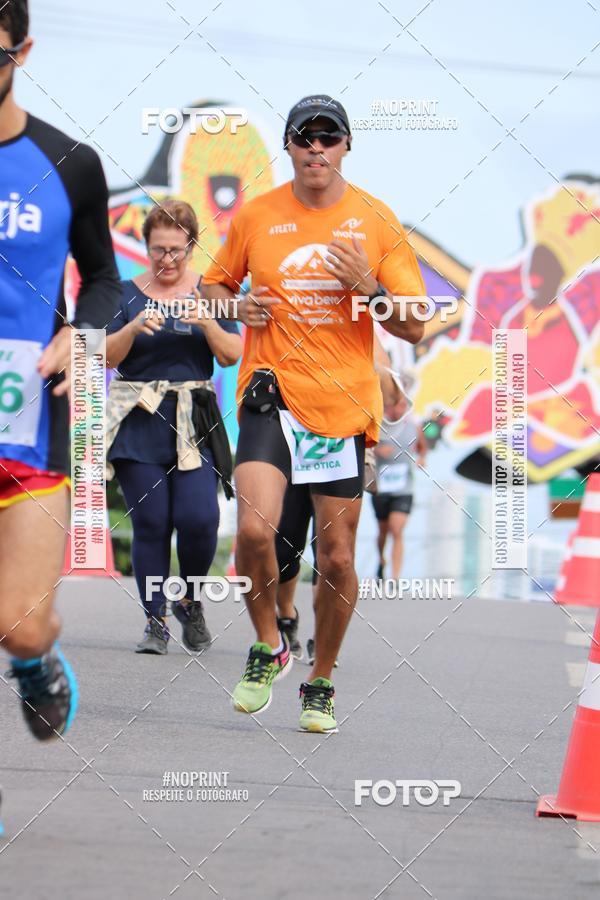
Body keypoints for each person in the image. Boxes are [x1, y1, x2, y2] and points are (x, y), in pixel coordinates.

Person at [203, 94, 425, 732]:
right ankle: (268, 644)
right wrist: (231, 307)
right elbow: (215, 283)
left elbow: (413, 328)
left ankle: (320, 678)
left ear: (346, 147)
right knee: (251, 534)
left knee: (336, 558)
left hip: (340, 407)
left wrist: (372, 291)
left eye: (329, 138)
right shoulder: (259, 214)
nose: (316, 149)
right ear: (290, 147)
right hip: (271, 393)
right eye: (305, 138)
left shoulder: (376, 221)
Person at [0, 0, 120, 744]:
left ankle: (35, 661)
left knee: (20, 623)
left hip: (29, 425)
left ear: (24, 51)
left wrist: (81, 333)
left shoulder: (69, 163)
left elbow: (104, 278)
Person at [106, 201, 242, 655]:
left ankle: (190, 600)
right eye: (158, 250)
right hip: (138, 417)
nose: (167, 260)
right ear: (145, 247)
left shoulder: (211, 292)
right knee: (151, 522)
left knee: (200, 519)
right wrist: (134, 329)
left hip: (193, 417)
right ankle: (155, 620)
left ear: (192, 247)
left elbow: (230, 353)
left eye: (176, 251)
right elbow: (102, 355)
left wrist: (206, 320)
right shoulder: (124, 293)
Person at [275, 336, 404, 663]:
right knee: (286, 542)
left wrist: (360, 365)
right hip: (294, 440)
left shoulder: (364, 332)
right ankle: (286, 616)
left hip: (345, 445)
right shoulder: (294, 321)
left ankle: (324, 635)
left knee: (334, 553)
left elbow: (391, 394)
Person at [373, 379, 427, 580]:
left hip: (404, 488)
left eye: (404, 405)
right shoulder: (379, 426)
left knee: (397, 530)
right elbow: (365, 447)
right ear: (389, 406)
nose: (401, 409)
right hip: (381, 487)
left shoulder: (414, 427)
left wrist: (422, 458)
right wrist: (377, 449)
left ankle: (395, 577)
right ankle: (381, 560)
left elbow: (422, 447)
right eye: (398, 405)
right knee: (383, 532)